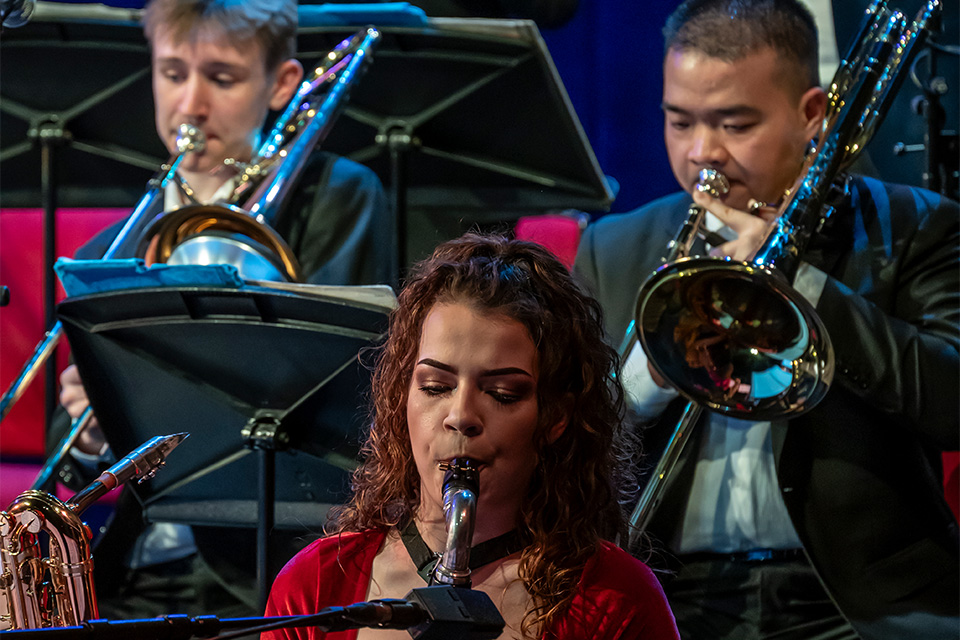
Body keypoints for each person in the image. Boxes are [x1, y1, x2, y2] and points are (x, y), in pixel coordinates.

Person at [573, 1, 960, 639]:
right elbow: (563, 443)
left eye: (734, 123)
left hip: (862, 607)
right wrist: (650, 373)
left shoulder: (917, 227)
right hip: (674, 601)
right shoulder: (614, 248)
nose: (702, 154)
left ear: (813, 114)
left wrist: (801, 288)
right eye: (679, 122)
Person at [50, 0, 397, 619]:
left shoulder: (334, 195)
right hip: (134, 566)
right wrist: (94, 431)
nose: (190, 105)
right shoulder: (107, 251)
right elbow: (68, 466)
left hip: (269, 558)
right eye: (173, 73)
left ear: (283, 84)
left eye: (223, 77)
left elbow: (347, 383)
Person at [263, 233, 680, 639]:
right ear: (400, 397)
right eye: (435, 387)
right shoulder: (316, 584)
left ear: (557, 418)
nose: (461, 416)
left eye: (502, 394)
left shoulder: (616, 597)